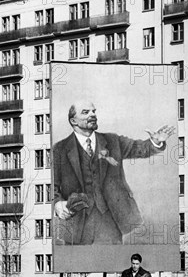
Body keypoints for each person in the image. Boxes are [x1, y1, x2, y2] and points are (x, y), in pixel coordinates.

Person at [53, 100, 175, 245]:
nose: (92, 115)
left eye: (94, 111)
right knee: (80, 265)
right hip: (76, 223)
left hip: (110, 219)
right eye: (86, 112)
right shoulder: (59, 149)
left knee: (112, 262)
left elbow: (140, 148)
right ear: (73, 120)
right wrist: (56, 203)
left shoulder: (112, 141)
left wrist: (155, 142)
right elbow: (51, 186)